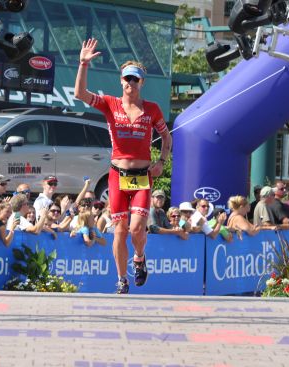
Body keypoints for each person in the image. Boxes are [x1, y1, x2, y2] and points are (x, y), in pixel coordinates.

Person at [75, 38, 172, 294]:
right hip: (118, 176)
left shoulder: (152, 109)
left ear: (142, 82)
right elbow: (80, 94)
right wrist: (83, 64)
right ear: (121, 81)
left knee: (138, 228)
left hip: (142, 176)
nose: (130, 83)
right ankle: (121, 278)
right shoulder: (110, 103)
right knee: (119, 230)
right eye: (127, 78)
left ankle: (139, 258)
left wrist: (161, 161)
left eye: (135, 79)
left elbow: (167, 137)